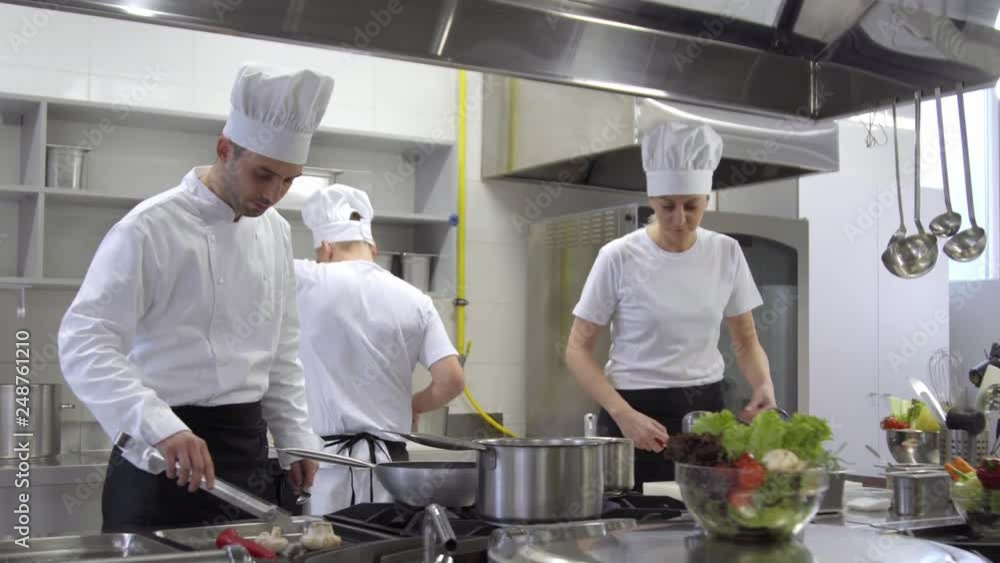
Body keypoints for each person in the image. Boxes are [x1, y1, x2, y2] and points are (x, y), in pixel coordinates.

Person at [58, 62, 335, 531]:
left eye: (289, 180)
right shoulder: (149, 228)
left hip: (247, 454)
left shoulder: (275, 231)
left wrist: (296, 438)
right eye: (264, 175)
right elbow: (84, 342)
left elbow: (281, 352)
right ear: (225, 150)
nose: (274, 194)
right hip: (160, 457)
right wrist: (160, 426)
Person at [564, 121, 776, 488]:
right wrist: (623, 414)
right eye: (667, 207)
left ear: (707, 199)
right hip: (633, 411)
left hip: (707, 413)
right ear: (651, 201)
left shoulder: (726, 252)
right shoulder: (618, 256)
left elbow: (746, 340)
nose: (680, 219)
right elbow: (576, 350)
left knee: (704, 512)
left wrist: (763, 384)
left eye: (691, 206)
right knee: (634, 516)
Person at [294, 183, 466, 515]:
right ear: (374, 248)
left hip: (327, 467)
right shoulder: (416, 299)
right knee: (388, 542)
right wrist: (413, 404)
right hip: (393, 471)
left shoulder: (305, 279)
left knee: (327, 543)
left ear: (325, 248)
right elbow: (452, 381)